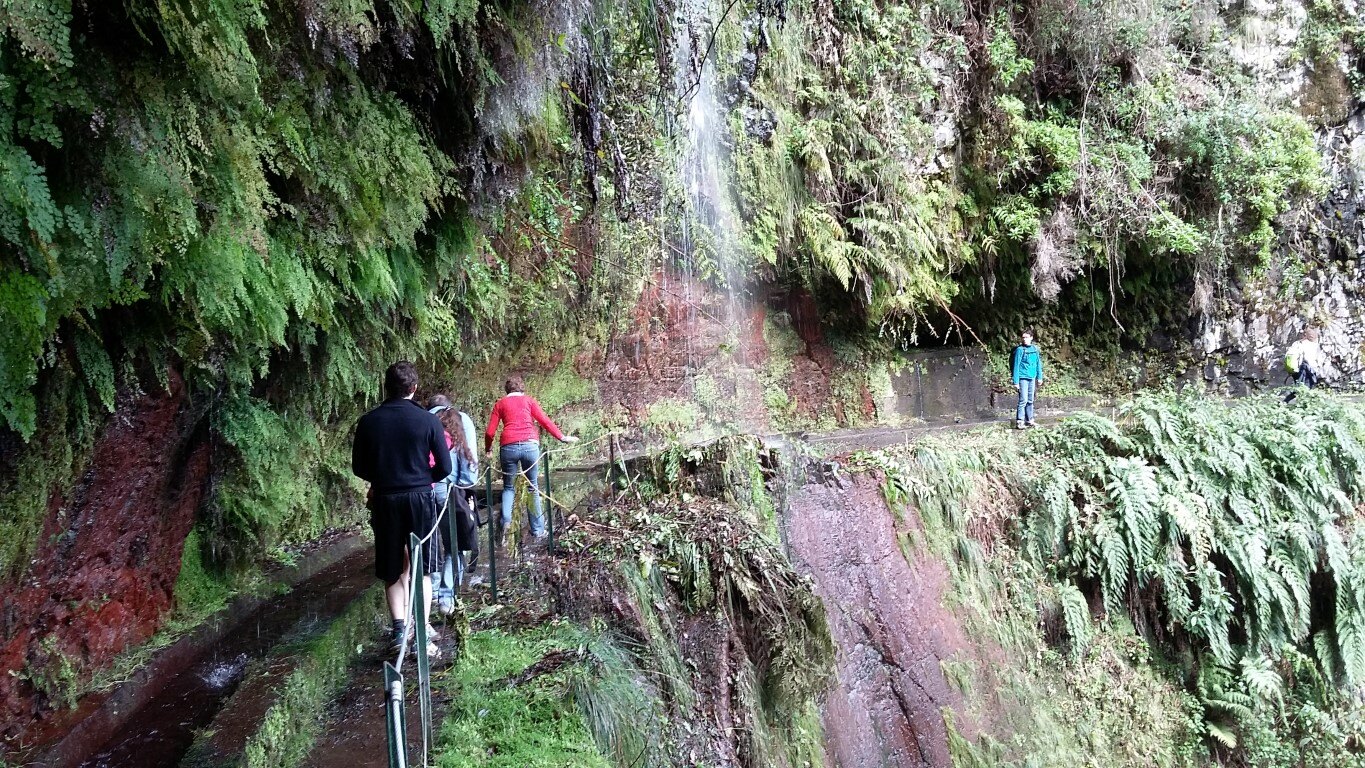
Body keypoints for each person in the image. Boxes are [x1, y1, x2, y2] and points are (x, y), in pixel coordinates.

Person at [351, 362, 452, 656]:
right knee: (421, 568)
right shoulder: (428, 421)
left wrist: (385, 479)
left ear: (385, 387)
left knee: (392, 568)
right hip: (420, 498)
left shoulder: (368, 421)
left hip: (384, 499)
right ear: (414, 388)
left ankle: (399, 631)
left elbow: (359, 467)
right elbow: (444, 467)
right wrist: (421, 480)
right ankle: (421, 635)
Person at [483, 375, 579, 540]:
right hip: (530, 445)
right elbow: (544, 421)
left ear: (507, 390)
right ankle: (538, 531)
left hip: (508, 447)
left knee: (508, 487)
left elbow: (490, 432)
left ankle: (505, 520)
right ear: (521, 388)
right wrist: (562, 437)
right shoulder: (529, 401)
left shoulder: (500, 404)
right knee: (532, 487)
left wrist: (488, 448)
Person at [428, 395, 480, 611]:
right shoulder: (461, 419)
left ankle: (428, 593)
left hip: (420, 489)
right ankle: (446, 598)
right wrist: (465, 485)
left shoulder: (421, 419)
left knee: (427, 545)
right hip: (448, 488)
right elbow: (469, 463)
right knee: (454, 544)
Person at [1011, 330, 1044, 429]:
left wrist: (1040, 377)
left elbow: (1038, 364)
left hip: (1032, 377)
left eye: (1026, 337)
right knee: (1023, 400)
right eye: (1023, 337)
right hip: (1022, 378)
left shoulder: (1035, 349)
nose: (1024, 339)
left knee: (1030, 400)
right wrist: (1016, 382)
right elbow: (1016, 366)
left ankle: (1030, 420)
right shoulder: (1020, 350)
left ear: (1031, 338)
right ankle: (1020, 421)